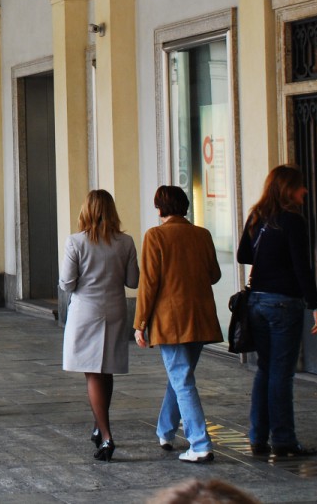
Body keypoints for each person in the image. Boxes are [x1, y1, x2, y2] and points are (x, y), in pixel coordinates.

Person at [237, 165, 317, 458]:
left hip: (257, 302)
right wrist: (315, 305)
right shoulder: (292, 221)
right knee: (282, 373)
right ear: (288, 189)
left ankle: (258, 437)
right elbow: (302, 267)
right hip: (284, 303)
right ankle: (284, 439)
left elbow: (242, 255)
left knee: (265, 369)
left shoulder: (257, 217)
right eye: (300, 186)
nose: (305, 191)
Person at [134, 185, 223, 463]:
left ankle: (199, 443)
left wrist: (140, 323)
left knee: (182, 379)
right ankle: (166, 430)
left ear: (160, 208)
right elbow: (215, 275)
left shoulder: (155, 236)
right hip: (200, 317)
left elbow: (148, 284)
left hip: (170, 320)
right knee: (180, 377)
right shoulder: (202, 235)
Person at [59, 190, 139, 461]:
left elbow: (67, 283)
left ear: (87, 210)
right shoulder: (125, 242)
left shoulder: (76, 242)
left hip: (86, 311)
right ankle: (97, 425)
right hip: (115, 309)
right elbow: (133, 281)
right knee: (107, 370)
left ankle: (106, 435)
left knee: (92, 372)